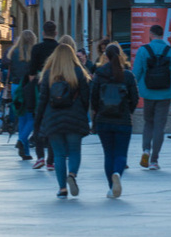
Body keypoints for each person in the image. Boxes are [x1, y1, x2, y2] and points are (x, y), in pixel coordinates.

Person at [34, 44, 91, 199]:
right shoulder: (78, 72)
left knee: (58, 155)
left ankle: (62, 189)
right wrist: (82, 112)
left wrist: (38, 121)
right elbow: (86, 97)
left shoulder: (48, 74)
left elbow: (42, 100)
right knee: (74, 151)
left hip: (53, 119)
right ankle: (72, 174)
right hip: (74, 118)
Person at [133, 24, 171, 171]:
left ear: (151, 35)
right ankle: (154, 161)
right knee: (159, 126)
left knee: (148, 123)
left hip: (148, 92)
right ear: (163, 36)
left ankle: (146, 150)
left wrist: (132, 90)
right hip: (165, 93)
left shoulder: (143, 50)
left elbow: (136, 72)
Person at [90, 43, 139, 198]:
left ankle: (112, 188)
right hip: (123, 120)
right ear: (120, 56)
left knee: (108, 154)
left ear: (106, 56)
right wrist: (129, 111)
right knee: (121, 153)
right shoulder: (128, 75)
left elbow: (93, 97)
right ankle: (117, 173)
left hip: (104, 120)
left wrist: (97, 111)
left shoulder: (99, 74)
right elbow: (135, 98)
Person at [27, 22, 60, 169]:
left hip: (40, 88)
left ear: (43, 32)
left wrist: (37, 83)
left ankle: (40, 156)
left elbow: (31, 71)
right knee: (53, 124)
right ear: (56, 33)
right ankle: (51, 161)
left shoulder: (37, 48)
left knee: (38, 121)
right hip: (57, 89)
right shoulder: (59, 48)